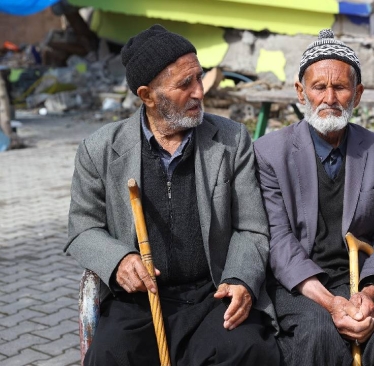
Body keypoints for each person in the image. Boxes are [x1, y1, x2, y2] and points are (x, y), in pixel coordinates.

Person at [65, 25, 280, 365]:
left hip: (213, 292)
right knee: (110, 356)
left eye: (200, 77)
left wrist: (240, 278)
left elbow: (252, 227)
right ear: (148, 95)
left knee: (246, 350)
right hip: (139, 301)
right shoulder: (100, 149)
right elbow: (82, 227)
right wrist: (118, 259)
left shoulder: (231, 140)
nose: (199, 92)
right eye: (185, 84)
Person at [254, 29, 374, 366]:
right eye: (319, 87)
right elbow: (278, 241)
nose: (330, 98)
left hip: (366, 279)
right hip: (302, 285)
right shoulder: (269, 153)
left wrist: (367, 295)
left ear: (358, 93)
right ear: (300, 91)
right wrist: (331, 302)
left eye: (340, 87)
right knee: (320, 333)